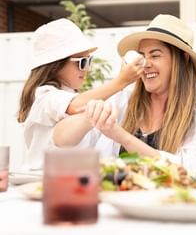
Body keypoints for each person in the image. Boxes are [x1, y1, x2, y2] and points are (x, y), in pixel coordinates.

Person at [53, 14, 196, 176]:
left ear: (183, 60)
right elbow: (61, 140)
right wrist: (90, 116)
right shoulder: (121, 102)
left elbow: (186, 173)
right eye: (142, 56)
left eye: (155, 55)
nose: (146, 64)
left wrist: (122, 136)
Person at [17, 18, 143, 170]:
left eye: (89, 61)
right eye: (82, 62)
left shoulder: (70, 95)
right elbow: (75, 105)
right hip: (39, 181)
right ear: (55, 65)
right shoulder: (44, 95)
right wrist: (121, 81)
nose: (87, 69)